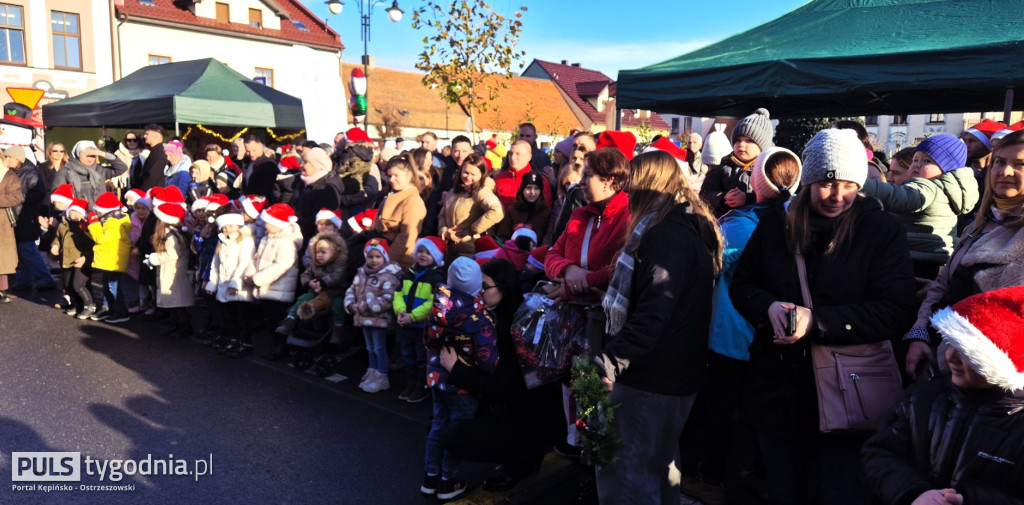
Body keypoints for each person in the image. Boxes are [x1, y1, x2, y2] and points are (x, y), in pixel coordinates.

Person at [729, 128, 918, 505]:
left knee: (839, 492)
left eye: (849, 184)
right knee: (785, 490)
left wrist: (817, 322)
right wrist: (767, 307)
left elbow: (896, 310)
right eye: (828, 184)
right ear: (810, 181)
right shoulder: (775, 225)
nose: (837, 196)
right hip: (778, 391)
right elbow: (743, 285)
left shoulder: (880, 230)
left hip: (850, 395)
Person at [590, 150, 722, 505]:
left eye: (632, 188)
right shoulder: (688, 223)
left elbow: (654, 314)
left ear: (646, 187)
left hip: (652, 377)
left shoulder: (665, 234)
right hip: (674, 373)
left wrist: (610, 361)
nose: (627, 196)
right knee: (661, 466)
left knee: (627, 472)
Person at [680, 147, 802, 503]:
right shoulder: (794, 219)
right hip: (768, 332)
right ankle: (752, 474)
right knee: (754, 413)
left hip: (730, 336)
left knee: (718, 410)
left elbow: (710, 264)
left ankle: (710, 479)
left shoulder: (741, 225)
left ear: (758, 181)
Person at [862, 286, 1024, 505]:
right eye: (950, 343)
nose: (950, 356)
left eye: (968, 351)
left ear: (1003, 361)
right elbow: (880, 453)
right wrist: (912, 493)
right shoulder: (921, 399)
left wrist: (968, 500)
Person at [903, 129, 1024, 379]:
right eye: (1000, 162)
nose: (1005, 172)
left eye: (1019, 164)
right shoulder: (978, 226)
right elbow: (942, 284)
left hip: (997, 377)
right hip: (949, 364)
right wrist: (921, 334)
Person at [443, 258, 562, 492]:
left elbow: (503, 387)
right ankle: (521, 456)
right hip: (515, 409)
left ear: (504, 288)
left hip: (526, 416)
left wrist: (456, 369)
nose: (479, 292)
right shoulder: (496, 316)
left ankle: (518, 462)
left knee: (453, 436)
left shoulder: (515, 327)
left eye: (485, 287)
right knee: (443, 425)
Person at [544, 147, 631, 457]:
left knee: (596, 384)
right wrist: (567, 270)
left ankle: (595, 450)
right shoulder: (580, 213)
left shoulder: (628, 217)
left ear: (610, 180)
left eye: (588, 175)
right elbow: (552, 255)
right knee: (571, 377)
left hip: (604, 321)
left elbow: (621, 270)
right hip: (573, 317)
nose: (580, 181)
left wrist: (579, 283)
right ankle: (576, 442)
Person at [420, 256, 497, 501]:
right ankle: (447, 481)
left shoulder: (437, 308)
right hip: (463, 386)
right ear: (476, 286)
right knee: (457, 431)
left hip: (437, 379)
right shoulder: (480, 318)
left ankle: (430, 477)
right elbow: (486, 359)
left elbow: (428, 341)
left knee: (438, 426)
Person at [860, 134, 979, 281]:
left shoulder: (926, 187)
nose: (917, 164)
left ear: (946, 168)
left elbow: (900, 197)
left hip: (917, 259)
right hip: (937, 257)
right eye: (915, 160)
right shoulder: (947, 190)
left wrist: (858, 183)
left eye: (927, 161)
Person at [275, 230, 348, 354]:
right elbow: (306, 275)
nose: (319, 255)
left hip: (335, 292)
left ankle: (338, 329)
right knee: (303, 298)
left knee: (338, 305)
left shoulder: (339, 264)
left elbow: (337, 276)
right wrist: (309, 283)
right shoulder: (315, 264)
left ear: (335, 252)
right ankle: (289, 320)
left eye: (323, 252)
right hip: (317, 291)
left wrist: (322, 282)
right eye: (318, 251)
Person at [246, 203, 303, 362]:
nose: (265, 225)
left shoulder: (285, 243)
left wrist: (258, 279)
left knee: (277, 321)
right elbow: (257, 257)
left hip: (278, 289)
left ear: (278, 225)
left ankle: (281, 347)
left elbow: (282, 265)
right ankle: (275, 345)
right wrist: (251, 273)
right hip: (267, 289)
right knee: (270, 320)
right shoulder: (267, 238)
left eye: (268, 222)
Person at [393, 236, 446, 404]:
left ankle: (422, 386)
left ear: (435, 256)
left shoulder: (436, 277)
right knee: (408, 355)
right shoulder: (409, 272)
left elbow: (434, 303)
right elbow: (398, 294)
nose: (423, 255)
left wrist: (413, 316)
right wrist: (401, 311)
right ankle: (410, 383)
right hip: (406, 324)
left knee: (422, 357)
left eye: (428, 253)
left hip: (422, 326)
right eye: (421, 251)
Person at [345, 239, 402, 393]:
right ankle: (372, 372)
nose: (374, 260)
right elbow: (351, 290)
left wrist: (363, 306)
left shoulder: (389, 276)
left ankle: (382, 376)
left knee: (379, 347)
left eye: (378, 256)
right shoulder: (362, 273)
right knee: (369, 347)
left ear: (384, 257)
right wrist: (350, 304)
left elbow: (387, 299)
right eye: (370, 256)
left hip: (379, 319)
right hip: (364, 318)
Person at [701, 108, 774, 217]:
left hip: (759, 223)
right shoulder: (723, 167)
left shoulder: (769, 170)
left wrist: (748, 199)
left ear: (762, 147)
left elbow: (775, 197)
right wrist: (722, 198)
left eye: (749, 140)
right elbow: (705, 194)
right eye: (738, 140)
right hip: (726, 223)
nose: (741, 144)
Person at [205, 212, 256, 356]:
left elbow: (245, 262)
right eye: (225, 227)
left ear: (239, 226)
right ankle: (233, 339)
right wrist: (212, 282)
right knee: (230, 315)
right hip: (224, 284)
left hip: (239, 287)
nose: (228, 229)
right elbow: (215, 264)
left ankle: (245, 342)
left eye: (231, 226)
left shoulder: (246, 241)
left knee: (242, 316)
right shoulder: (221, 241)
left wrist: (235, 282)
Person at [437, 154, 504, 259]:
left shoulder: (482, 191)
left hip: (473, 253)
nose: (468, 177)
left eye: (473, 174)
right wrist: (445, 232)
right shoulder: (453, 191)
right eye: (466, 173)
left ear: (481, 175)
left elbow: (497, 211)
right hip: (451, 251)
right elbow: (442, 215)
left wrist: (472, 229)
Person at [7, 146, 54, 291]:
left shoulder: (30, 173)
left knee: (27, 248)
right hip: (17, 215)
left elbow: (39, 193)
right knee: (20, 248)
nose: (6, 160)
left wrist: (19, 199)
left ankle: (45, 277)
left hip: (26, 216)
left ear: (16, 159)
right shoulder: (13, 172)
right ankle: (24, 279)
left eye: (8, 157)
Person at [144, 203, 195, 338]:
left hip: (175, 274)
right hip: (170, 272)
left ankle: (184, 325)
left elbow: (172, 255)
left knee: (177, 302)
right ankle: (175, 324)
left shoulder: (173, 237)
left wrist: (155, 258)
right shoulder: (171, 235)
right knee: (171, 302)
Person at [372, 154, 427, 269]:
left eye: (396, 175)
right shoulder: (393, 195)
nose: (391, 180)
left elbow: (407, 236)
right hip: (379, 254)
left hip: (396, 261)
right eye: (390, 176)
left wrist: (387, 259)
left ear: (410, 175)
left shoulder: (413, 201)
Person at [86, 192, 132, 323]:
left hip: (112, 260)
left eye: (99, 211)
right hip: (108, 259)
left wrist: (93, 224)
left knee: (113, 287)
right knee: (107, 287)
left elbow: (100, 238)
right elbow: (99, 237)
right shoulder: (110, 221)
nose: (98, 214)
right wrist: (90, 227)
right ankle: (112, 309)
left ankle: (121, 312)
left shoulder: (113, 224)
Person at [52, 141, 129, 210]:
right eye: (87, 155)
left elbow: (122, 168)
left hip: (100, 213)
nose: (90, 159)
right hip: (78, 215)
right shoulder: (66, 171)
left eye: (93, 156)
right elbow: (58, 198)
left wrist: (102, 154)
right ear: (78, 154)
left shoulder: (99, 170)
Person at [52, 198, 95, 317]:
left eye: (78, 212)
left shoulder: (85, 227)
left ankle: (90, 305)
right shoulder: (64, 224)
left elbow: (91, 245)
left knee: (78, 285)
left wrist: (85, 258)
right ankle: (77, 305)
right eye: (72, 211)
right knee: (69, 285)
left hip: (81, 261)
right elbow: (57, 238)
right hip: (66, 260)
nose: (74, 214)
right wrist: (55, 245)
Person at [290, 147, 342, 241]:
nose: (300, 165)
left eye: (305, 162)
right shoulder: (303, 183)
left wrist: (293, 226)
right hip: (297, 235)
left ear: (318, 165)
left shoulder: (326, 189)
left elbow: (316, 221)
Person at [494, 172, 550, 242]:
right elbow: (502, 236)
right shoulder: (512, 210)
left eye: (536, 188)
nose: (532, 192)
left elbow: (548, 237)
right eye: (528, 188)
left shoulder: (546, 212)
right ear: (522, 189)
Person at [494, 141, 553, 207]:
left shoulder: (540, 181)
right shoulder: (498, 179)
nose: (512, 157)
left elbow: (546, 209)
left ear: (529, 157)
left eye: (518, 154)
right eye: (511, 153)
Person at [0, 153, 21, 303]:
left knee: (1, 258)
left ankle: (1, 290)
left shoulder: (8, 175)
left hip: (2, 221)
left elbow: (16, 197)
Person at [240, 135, 279, 199]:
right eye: (248, 151)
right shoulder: (246, 162)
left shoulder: (269, 165)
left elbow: (272, 190)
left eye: (254, 150)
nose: (251, 154)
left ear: (261, 146)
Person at [138, 124, 169, 191]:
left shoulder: (159, 154)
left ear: (156, 135)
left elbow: (152, 177)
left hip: (152, 193)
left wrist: (141, 193)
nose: (144, 136)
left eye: (147, 134)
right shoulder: (155, 151)